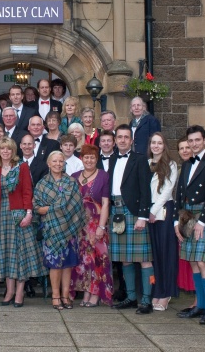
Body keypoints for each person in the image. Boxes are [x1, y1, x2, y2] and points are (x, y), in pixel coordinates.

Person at [0, 137, 45, 307]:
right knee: (6, 255)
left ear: (13, 151)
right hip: (0, 218)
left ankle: (19, 292)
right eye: (2, 148)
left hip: (18, 216)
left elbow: (27, 190)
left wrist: (28, 213)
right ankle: (9, 291)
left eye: (9, 149)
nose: (5, 151)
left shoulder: (22, 168)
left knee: (20, 256)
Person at [174, 125, 205, 325]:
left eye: (197, 140)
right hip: (187, 216)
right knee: (193, 261)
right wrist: (177, 222)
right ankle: (200, 305)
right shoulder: (186, 164)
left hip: (204, 216)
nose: (194, 144)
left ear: (204, 140)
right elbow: (179, 194)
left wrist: (203, 221)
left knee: (202, 262)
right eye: (191, 140)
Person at [108, 124, 154, 314]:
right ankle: (131, 297)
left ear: (132, 140)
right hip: (116, 212)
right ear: (115, 139)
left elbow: (146, 190)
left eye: (126, 137)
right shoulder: (111, 159)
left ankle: (147, 300)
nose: (123, 140)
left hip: (134, 212)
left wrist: (143, 216)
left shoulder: (140, 160)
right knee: (124, 259)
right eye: (120, 137)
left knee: (145, 259)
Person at [34, 151, 84, 310]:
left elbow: (76, 206)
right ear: (49, 164)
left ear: (64, 164)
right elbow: (37, 207)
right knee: (55, 264)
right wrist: (55, 209)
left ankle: (65, 295)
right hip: (51, 230)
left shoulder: (71, 182)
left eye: (60, 161)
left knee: (67, 264)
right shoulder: (42, 184)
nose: (57, 164)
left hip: (69, 229)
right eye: (54, 161)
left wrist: (50, 209)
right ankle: (55, 297)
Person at [70, 144, 113, 306]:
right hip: (79, 226)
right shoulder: (74, 176)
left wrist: (101, 227)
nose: (89, 160)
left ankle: (95, 294)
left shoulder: (103, 176)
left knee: (96, 261)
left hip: (96, 225)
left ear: (97, 159)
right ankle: (86, 293)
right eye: (86, 157)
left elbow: (105, 203)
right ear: (82, 159)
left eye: (92, 157)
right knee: (83, 261)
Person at [147, 132, 178, 311]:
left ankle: (166, 293)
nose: (156, 146)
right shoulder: (146, 163)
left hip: (163, 212)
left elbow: (167, 191)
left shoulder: (171, 165)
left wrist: (152, 211)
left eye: (159, 143)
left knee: (166, 254)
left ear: (164, 145)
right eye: (153, 143)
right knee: (155, 255)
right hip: (149, 213)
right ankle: (156, 291)